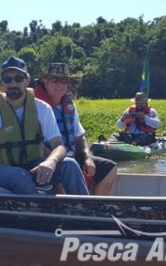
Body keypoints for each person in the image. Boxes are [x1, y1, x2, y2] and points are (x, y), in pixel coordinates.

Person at [0, 56, 90, 196]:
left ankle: (87, 208)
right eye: (7, 79)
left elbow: (59, 146)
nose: (13, 83)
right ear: (2, 82)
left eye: (18, 79)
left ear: (27, 80)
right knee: (20, 176)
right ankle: (37, 209)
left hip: (32, 167)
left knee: (70, 165)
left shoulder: (41, 108)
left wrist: (50, 161)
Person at [34, 62, 117, 196]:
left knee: (109, 168)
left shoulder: (69, 106)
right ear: (45, 81)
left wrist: (87, 157)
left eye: (64, 81)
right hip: (48, 159)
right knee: (66, 169)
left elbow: (79, 137)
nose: (59, 85)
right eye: (54, 80)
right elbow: (35, 142)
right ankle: (79, 205)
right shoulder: (36, 107)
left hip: (71, 155)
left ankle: (96, 204)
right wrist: (56, 159)